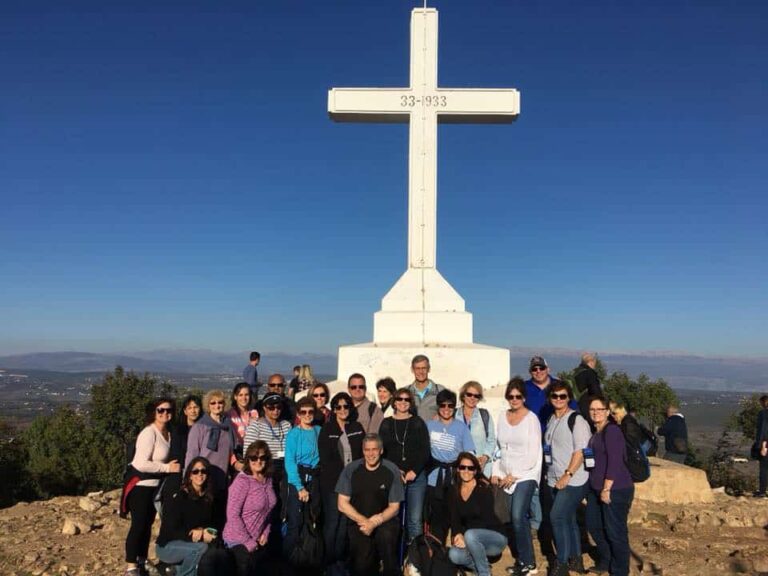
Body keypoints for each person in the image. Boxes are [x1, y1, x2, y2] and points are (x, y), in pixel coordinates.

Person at [124, 398, 181, 576]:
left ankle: (142, 561)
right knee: (138, 525)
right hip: (141, 486)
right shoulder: (149, 433)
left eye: (168, 410)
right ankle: (131, 567)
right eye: (160, 410)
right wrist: (167, 468)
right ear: (153, 412)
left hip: (155, 486)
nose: (165, 413)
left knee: (147, 524)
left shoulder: (168, 432)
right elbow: (140, 463)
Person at [491, 379, 542, 576]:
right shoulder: (502, 417)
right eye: (511, 396)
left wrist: (515, 475)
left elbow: (533, 453)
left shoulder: (531, 419)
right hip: (506, 474)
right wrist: (497, 471)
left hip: (525, 474)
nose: (514, 400)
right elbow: (500, 448)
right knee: (512, 518)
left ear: (524, 398)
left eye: (518, 396)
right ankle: (522, 559)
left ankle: (529, 563)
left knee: (518, 516)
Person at [336, 433, 404, 576]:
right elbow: (342, 504)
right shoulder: (351, 469)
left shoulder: (391, 470)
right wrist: (365, 521)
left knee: (387, 541)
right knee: (362, 567)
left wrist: (374, 522)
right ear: (363, 451)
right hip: (359, 522)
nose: (370, 454)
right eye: (367, 450)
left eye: (374, 449)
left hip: (385, 521)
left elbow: (394, 507)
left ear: (381, 450)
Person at [543, 382, 591, 576]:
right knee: (569, 519)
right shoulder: (551, 419)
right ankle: (576, 560)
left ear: (569, 397)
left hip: (573, 479)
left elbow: (580, 451)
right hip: (553, 478)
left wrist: (568, 474)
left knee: (557, 516)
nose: (558, 399)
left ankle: (561, 564)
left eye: (562, 396)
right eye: (555, 396)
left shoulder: (577, 420)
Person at [585, 397, 634, 576]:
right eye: (592, 409)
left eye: (600, 409)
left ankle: (620, 570)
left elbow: (615, 461)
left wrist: (607, 489)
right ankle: (607, 560)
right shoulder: (596, 433)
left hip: (616, 489)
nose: (595, 412)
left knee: (615, 532)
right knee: (594, 525)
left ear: (607, 412)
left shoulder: (612, 431)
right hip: (596, 489)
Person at [318, 392, 365, 576]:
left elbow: (361, 454)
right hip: (332, 484)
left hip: (352, 484)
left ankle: (339, 559)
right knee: (332, 522)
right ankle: (328, 562)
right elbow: (325, 459)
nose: (343, 409)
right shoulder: (327, 429)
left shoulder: (357, 427)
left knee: (344, 523)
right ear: (334, 409)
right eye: (339, 406)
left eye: (346, 406)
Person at [379, 387, 431, 543]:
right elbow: (382, 452)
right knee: (392, 517)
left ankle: (415, 554)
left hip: (416, 477)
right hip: (394, 477)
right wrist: (396, 471)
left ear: (411, 402)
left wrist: (414, 471)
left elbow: (425, 450)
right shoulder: (386, 423)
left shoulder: (418, 422)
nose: (403, 402)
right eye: (399, 399)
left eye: (407, 399)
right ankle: (394, 551)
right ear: (394, 402)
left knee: (414, 520)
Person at [156, 457, 224, 576]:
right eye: (195, 471)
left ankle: (175, 570)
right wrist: (193, 535)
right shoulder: (180, 497)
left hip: (192, 544)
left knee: (215, 553)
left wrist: (206, 531)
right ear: (190, 475)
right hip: (168, 545)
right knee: (200, 549)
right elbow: (171, 529)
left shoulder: (209, 498)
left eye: (203, 471)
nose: (200, 474)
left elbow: (214, 522)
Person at [242, 392, 292, 554]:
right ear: (264, 408)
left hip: (284, 469)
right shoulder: (255, 426)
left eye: (278, 407)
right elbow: (248, 453)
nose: (275, 410)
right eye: (271, 407)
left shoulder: (286, 425)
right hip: (264, 469)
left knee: (282, 507)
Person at [426, 388, 475, 543]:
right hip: (434, 479)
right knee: (436, 520)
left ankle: (457, 553)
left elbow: (469, 452)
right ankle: (437, 552)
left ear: (454, 407)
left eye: (450, 405)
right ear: (438, 406)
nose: (446, 409)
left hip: (454, 478)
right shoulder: (429, 426)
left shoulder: (461, 427)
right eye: (442, 405)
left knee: (456, 519)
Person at [448, 452, 507, 576]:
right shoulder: (455, 491)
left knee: (470, 535)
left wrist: (465, 537)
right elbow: (455, 519)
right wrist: (457, 535)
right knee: (454, 554)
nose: (466, 471)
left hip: (494, 539)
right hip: (473, 540)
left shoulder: (483, 488)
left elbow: (487, 521)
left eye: (470, 468)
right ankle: (483, 566)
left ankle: (484, 573)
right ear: (458, 469)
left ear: (475, 471)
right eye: (462, 467)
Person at [223, 441, 277, 576]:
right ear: (248, 459)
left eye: (262, 457)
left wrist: (266, 532)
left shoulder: (268, 480)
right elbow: (232, 515)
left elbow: (268, 511)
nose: (258, 461)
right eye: (254, 458)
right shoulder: (242, 481)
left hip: (257, 541)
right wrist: (248, 542)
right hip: (237, 542)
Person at [283, 397, 321, 557]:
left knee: (313, 519)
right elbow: (289, 461)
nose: (307, 415)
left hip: (315, 479)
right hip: (297, 479)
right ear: (298, 414)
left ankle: (309, 556)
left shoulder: (319, 431)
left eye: (310, 411)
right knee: (295, 521)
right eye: (303, 412)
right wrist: (299, 487)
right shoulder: (293, 434)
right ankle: (289, 557)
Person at [186, 390, 235, 493]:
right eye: (213, 403)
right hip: (203, 478)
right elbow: (191, 454)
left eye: (220, 402)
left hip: (222, 478)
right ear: (208, 405)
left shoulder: (228, 426)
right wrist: (187, 480)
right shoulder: (199, 427)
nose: (217, 405)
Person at [162, 395, 203, 501]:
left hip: (200, 474)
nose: (193, 411)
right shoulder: (178, 431)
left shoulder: (205, 430)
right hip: (180, 474)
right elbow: (176, 455)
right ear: (185, 411)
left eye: (196, 407)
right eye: (190, 408)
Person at [458, 381, 495, 477]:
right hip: (461, 469)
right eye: (469, 394)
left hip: (482, 469)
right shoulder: (454, 415)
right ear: (463, 396)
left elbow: (491, 440)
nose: (472, 398)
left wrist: (485, 457)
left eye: (476, 396)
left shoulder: (484, 415)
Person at [229, 383, 259, 463]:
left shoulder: (255, 413)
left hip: (253, 455)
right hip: (237, 457)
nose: (244, 398)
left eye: (246, 395)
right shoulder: (230, 415)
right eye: (240, 395)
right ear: (235, 397)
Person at [408, 354, 444, 422]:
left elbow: (450, 410)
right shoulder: (406, 392)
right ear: (412, 370)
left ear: (429, 369)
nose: (421, 372)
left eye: (424, 368)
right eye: (417, 368)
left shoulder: (440, 391)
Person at [574, 353, 603, 427]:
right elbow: (596, 391)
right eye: (595, 363)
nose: (595, 365)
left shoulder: (576, 372)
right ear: (591, 362)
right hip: (586, 405)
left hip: (575, 403)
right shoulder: (590, 373)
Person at [753, 395, 768, 497]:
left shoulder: (764, 414)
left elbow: (763, 430)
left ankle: (762, 492)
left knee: (764, 468)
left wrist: (763, 445)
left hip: (766, 445)